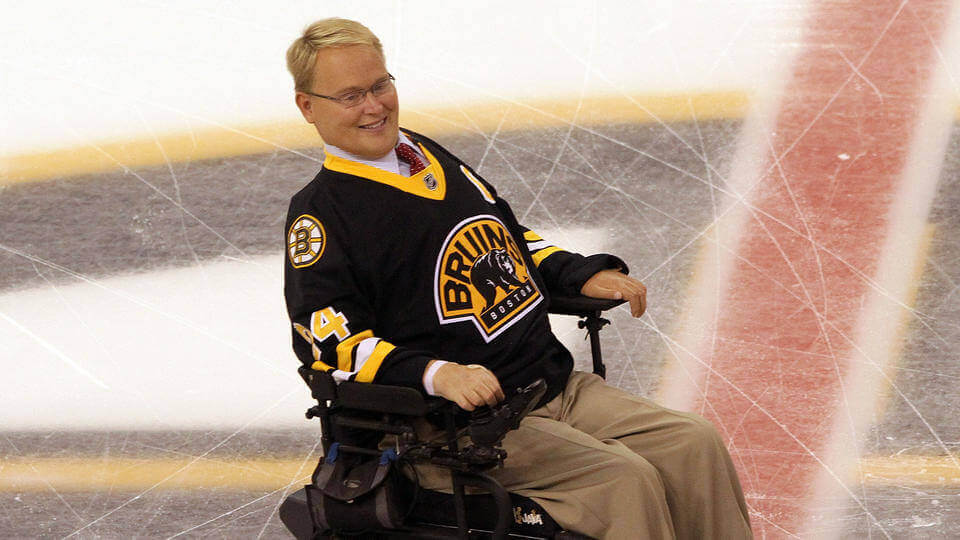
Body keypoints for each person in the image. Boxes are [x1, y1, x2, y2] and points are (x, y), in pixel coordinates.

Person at [283, 17, 751, 540]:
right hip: (459, 429)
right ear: (308, 106)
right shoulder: (322, 217)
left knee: (693, 443)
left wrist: (577, 273)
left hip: (549, 385)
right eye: (350, 96)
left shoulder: (424, 155)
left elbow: (506, 238)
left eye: (380, 85)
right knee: (626, 480)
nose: (374, 107)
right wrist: (437, 373)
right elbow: (329, 341)